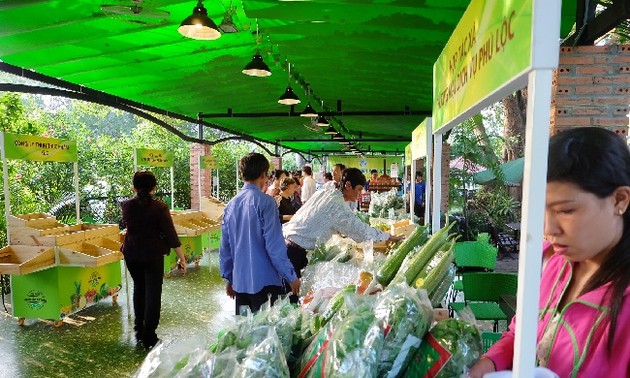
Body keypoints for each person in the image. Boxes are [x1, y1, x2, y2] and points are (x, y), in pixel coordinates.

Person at [469, 127, 630, 377]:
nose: (549, 228)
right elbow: (519, 333)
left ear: (619, 200)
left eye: (565, 211)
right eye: (541, 210)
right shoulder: (547, 261)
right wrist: (490, 362)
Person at [283, 167, 403, 302]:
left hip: (286, 244)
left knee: (292, 297)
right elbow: (361, 231)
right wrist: (389, 236)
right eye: (358, 190)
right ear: (348, 185)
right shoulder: (337, 205)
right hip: (293, 253)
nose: (359, 194)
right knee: (292, 299)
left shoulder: (325, 192)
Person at [219, 153, 300, 315]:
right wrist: (291, 275)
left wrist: (229, 279)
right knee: (267, 337)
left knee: (245, 336)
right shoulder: (266, 202)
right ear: (263, 174)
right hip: (265, 283)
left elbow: (225, 248)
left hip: (240, 283)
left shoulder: (231, 205)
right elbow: (274, 246)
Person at [121, 171, 187, 349]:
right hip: (152, 255)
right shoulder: (160, 208)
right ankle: (149, 335)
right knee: (153, 294)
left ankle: (138, 330)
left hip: (132, 255)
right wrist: (182, 258)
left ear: (133, 187)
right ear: (154, 188)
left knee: (139, 289)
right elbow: (171, 235)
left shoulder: (126, 205)